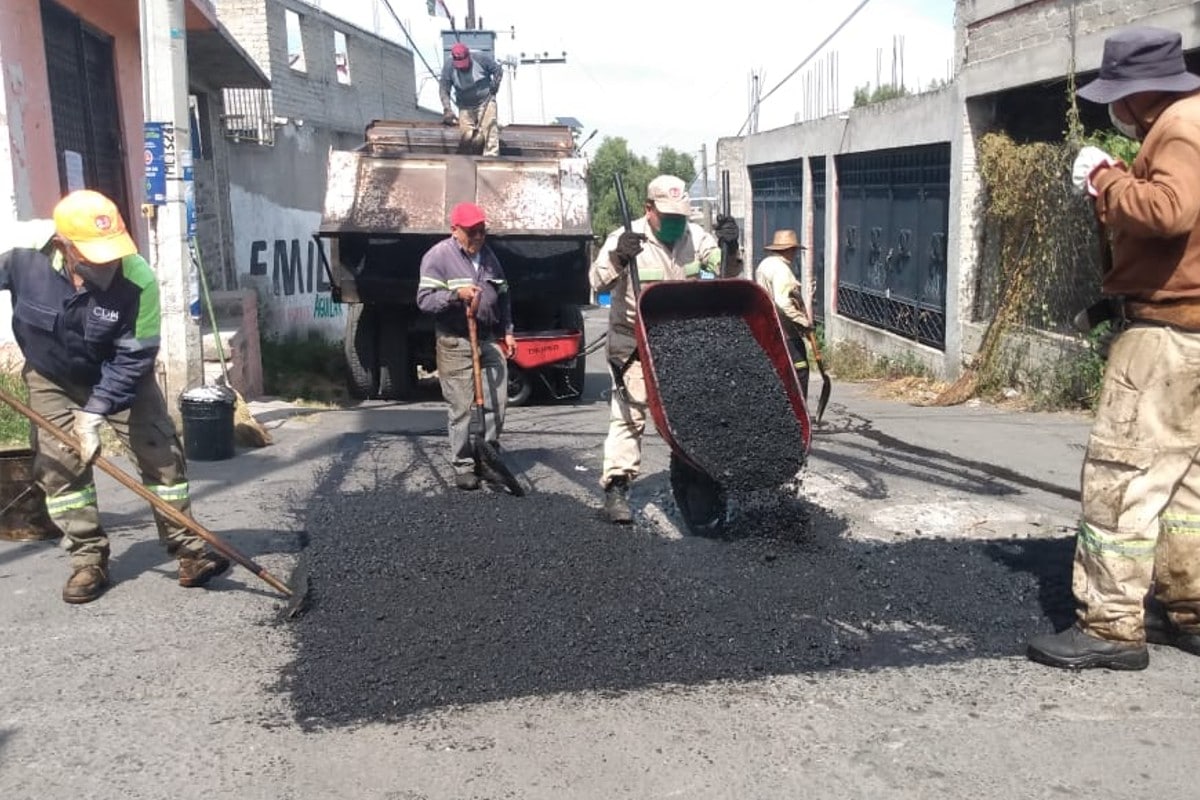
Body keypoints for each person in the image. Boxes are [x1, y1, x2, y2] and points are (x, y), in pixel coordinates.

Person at [1026, 26, 1200, 670]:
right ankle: (1189, 609)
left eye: (1115, 99)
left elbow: (1168, 213)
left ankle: (1109, 625)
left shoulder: (1180, 127)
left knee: (1122, 478)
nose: (1112, 111)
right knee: (1186, 487)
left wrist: (1107, 179)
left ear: (1137, 94)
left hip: (1165, 340)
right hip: (1192, 335)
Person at [0, 190, 229, 604]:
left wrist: (93, 414)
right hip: (51, 376)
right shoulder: (21, 256)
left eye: (111, 253)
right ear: (62, 246)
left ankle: (189, 551)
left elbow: (135, 357)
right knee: (60, 469)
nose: (106, 263)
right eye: (92, 255)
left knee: (161, 456)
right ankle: (87, 559)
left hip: (122, 376)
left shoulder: (137, 277)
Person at [590, 175, 741, 524]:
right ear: (649, 209)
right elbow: (596, 282)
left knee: (690, 412)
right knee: (631, 413)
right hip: (633, 337)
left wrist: (731, 248)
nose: (675, 223)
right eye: (668, 217)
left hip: (680, 337)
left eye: (680, 217)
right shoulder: (623, 238)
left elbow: (726, 272)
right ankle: (616, 487)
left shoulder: (695, 237)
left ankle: (692, 475)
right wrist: (617, 258)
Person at [417, 201, 516, 490]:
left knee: (497, 402)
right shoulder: (438, 256)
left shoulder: (489, 257)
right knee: (460, 406)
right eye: (472, 232)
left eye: (482, 231)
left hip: (486, 337)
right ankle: (463, 464)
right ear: (455, 230)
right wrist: (454, 295)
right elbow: (423, 300)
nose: (478, 237)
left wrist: (507, 330)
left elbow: (504, 292)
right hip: (454, 340)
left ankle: (487, 456)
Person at [755, 229, 812, 399]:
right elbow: (784, 302)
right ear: (789, 250)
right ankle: (799, 409)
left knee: (778, 371)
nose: (794, 254)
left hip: (769, 329)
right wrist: (803, 322)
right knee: (800, 369)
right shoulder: (782, 270)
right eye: (794, 250)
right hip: (786, 332)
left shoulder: (764, 265)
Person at [439, 42, 503, 157]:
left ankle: (491, 157)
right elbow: (444, 89)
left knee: (489, 130)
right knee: (467, 137)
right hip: (464, 105)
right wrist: (447, 109)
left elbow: (498, 70)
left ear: (468, 56)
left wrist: (495, 83)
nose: (462, 68)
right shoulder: (449, 67)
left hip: (485, 100)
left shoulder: (481, 58)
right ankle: (469, 160)